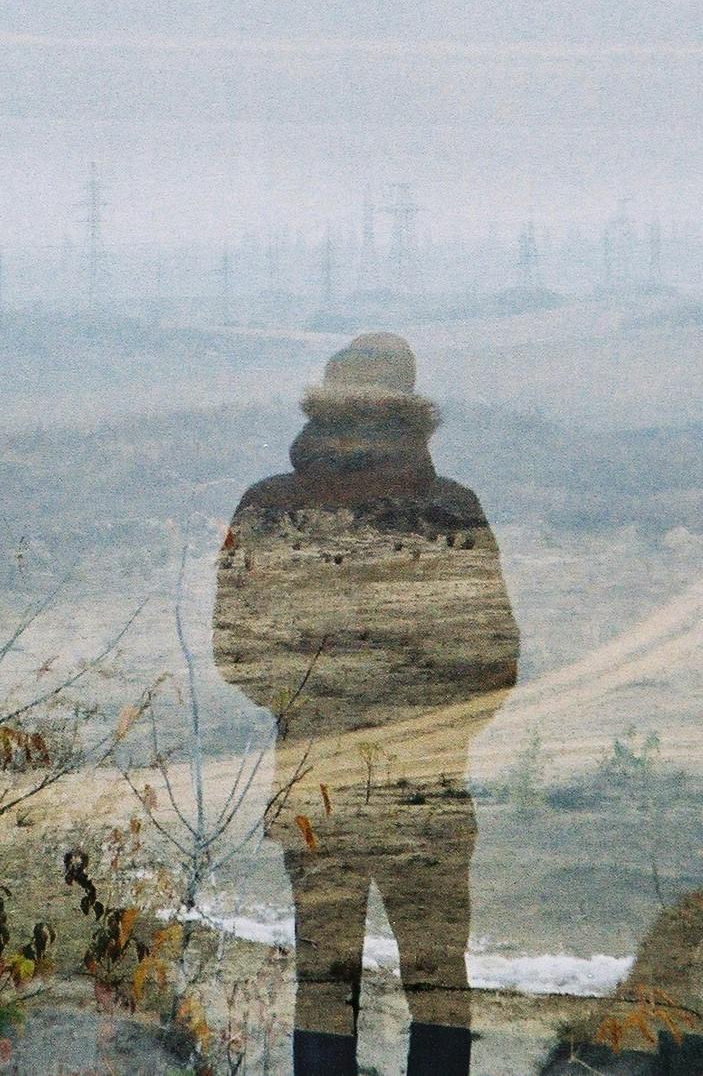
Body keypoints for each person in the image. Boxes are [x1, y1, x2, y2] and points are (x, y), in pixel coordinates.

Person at [213, 332, 520, 1076]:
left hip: (317, 785)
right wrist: (419, 728)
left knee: (323, 984)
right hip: (427, 787)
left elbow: (237, 649)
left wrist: (322, 713)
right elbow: (494, 660)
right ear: (414, 414)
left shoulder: (268, 508)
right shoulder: (451, 511)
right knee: (441, 983)